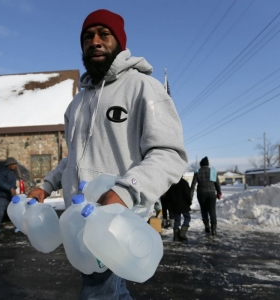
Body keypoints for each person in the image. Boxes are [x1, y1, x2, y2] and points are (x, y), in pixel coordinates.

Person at [28, 9, 188, 299]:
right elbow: (72, 157)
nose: (95, 41)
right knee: (107, 291)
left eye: (104, 34)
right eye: (88, 36)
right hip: (80, 220)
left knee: (98, 293)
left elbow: (168, 153)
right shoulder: (77, 103)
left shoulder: (144, 89)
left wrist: (127, 191)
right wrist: (46, 185)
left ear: (120, 42)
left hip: (117, 218)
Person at [190, 157, 222, 235]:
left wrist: (190, 196)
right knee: (212, 211)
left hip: (201, 193)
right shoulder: (213, 171)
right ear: (207, 164)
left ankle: (207, 227)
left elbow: (193, 184)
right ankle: (213, 229)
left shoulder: (197, 171)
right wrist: (219, 192)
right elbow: (217, 183)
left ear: (201, 164)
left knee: (204, 210)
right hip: (211, 193)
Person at [0, 157, 18, 234]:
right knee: (0, 213)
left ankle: (17, 227)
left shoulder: (13, 172)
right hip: (2, 196)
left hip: (10, 196)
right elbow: (0, 183)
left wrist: (14, 189)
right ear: (9, 165)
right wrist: (10, 188)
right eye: (13, 164)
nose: (15, 166)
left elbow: (12, 184)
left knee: (14, 212)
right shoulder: (2, 172)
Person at [165, 177, 193, 241]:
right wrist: (189, 202)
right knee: (187, 217)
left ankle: (176, 236)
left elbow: (168, 195)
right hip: (184, 204)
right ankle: (183, 232)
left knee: (177, 219)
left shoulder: (172, 184)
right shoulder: (184, 183)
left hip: (174, 205)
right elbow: (187, 194)